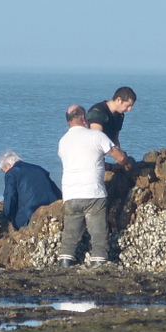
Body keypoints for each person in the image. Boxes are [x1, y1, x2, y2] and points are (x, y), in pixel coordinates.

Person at [57, 104, 132, 267]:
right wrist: (125, 163)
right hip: (93, 192)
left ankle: (64, 264)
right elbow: (119, 157)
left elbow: (88, 161)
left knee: (69, 236)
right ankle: (98, 265)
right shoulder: (96, 136)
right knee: (98, 235)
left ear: (68, 121)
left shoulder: (63, 142)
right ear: (84, 118)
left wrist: (110, 167)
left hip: (70, 193)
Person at [0, 151, 62, 230]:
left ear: (8, 165)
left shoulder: (11, 173)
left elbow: (10, 196)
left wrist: (5, 217)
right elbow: (55, 190)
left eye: (4, 171)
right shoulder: (38, 168)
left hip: (30, 213)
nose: (5, 173)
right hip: (52, 207)